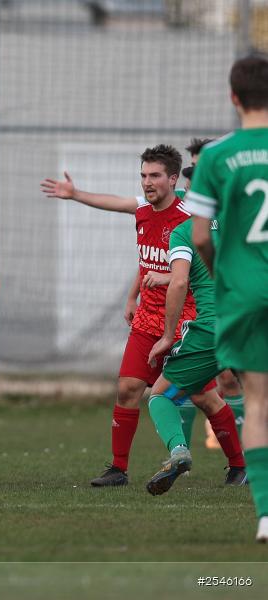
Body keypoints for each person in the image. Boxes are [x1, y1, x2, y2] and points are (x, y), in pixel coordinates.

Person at [40, 145, 214, 486]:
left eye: (154, 176)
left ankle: (238, 465)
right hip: (148, 319)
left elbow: (194, 269)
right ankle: (118, 469)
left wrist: (168, 278)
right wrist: (75, 195)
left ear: (174, 179)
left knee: (205, 395)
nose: (147, 183)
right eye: (143, 176)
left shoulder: (188, 218)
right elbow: (136, 240)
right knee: (127, 389)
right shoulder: (143, 211)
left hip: (185, 319)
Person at [186, 54, 268, 542]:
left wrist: (223, 275)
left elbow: (199, 238)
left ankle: (265, 515)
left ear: (233, 97)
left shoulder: (216, 157)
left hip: (244, 291)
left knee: (257, 402)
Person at [141, 216, 246, 495]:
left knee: (161, 394)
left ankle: (178, 450)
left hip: (215, 327)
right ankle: (240, 467)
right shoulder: (245, 218)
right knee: (212, 396)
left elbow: (179, 283)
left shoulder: (186, 230)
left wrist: (167, 336)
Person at [179, 138, 246, 449]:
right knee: (211, 383)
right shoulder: (184, 205)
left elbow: (204, 244)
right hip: (206, 308)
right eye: (192, 167)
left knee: (237, 379)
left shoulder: (228, 204)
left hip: (231, 304)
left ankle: (241, 448)